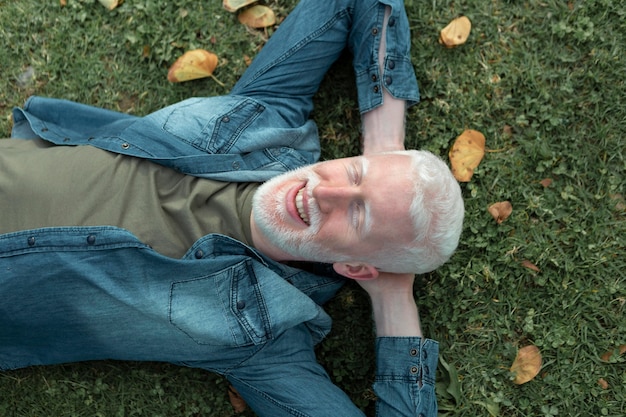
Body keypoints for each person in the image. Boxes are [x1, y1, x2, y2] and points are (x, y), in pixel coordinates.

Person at [0, 0, 464, 415]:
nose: (325, 192)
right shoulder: (268, 120)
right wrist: (384, 142)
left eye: (358, 215)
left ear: (357, 265)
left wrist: (393, 299)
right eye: (354, 175)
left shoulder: (263, 339)